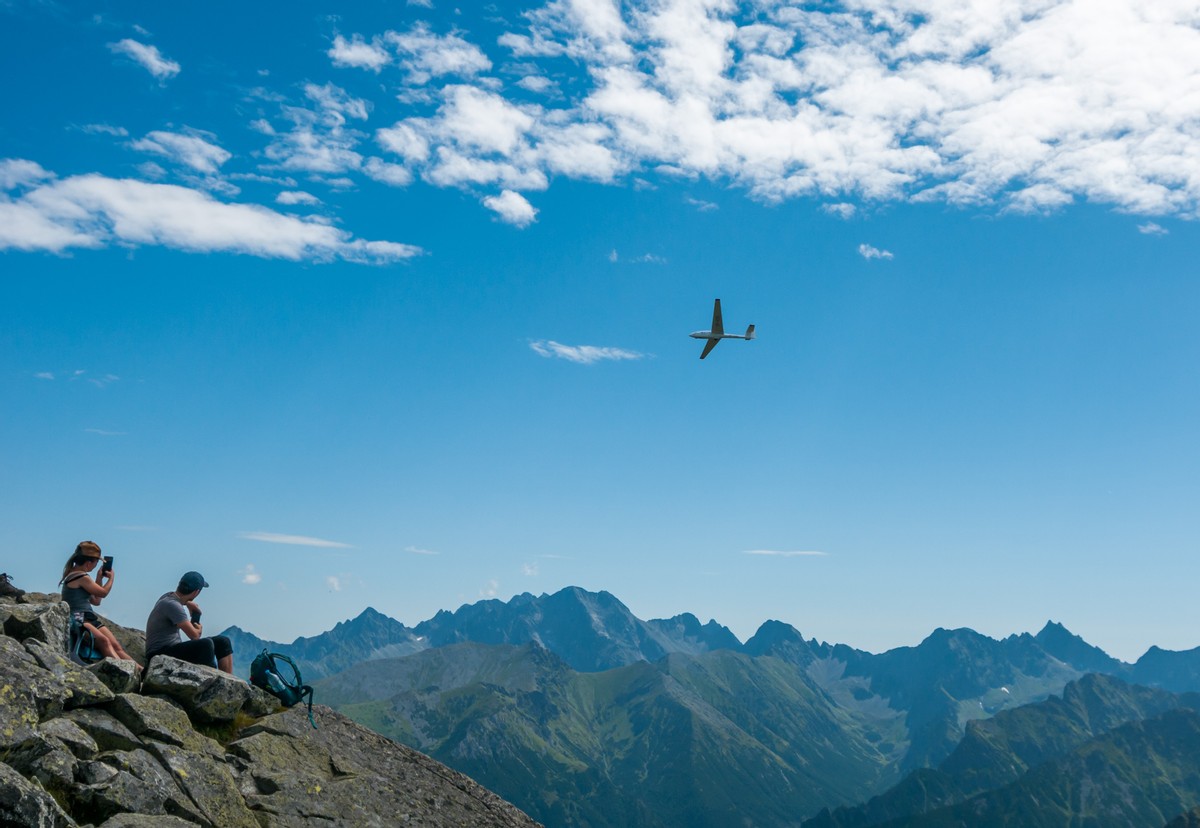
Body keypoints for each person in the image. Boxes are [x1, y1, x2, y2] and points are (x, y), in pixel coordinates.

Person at [145, 571, 233, 673]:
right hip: (159, 654)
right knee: (206, 645)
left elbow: (182, 600)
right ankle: (213, 681)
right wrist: (198, 617)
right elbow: (194, 636)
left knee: (223, 641)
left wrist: (188, 603)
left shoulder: (167, 597)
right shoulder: (173, 605)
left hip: (169, 650)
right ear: (196, 592)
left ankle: (228, 679)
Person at [59, 541, 132, 660]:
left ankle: (140, 671)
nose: (96, 565)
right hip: (78, 617)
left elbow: (96, 601)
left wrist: (99, 578)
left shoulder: (77, 575)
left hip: (87, 617)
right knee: (104, 642)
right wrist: (111, 578)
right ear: (89, 563)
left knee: (116, 646)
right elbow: (103, 593)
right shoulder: (81, 576)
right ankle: (124, 670)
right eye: (96, 562)